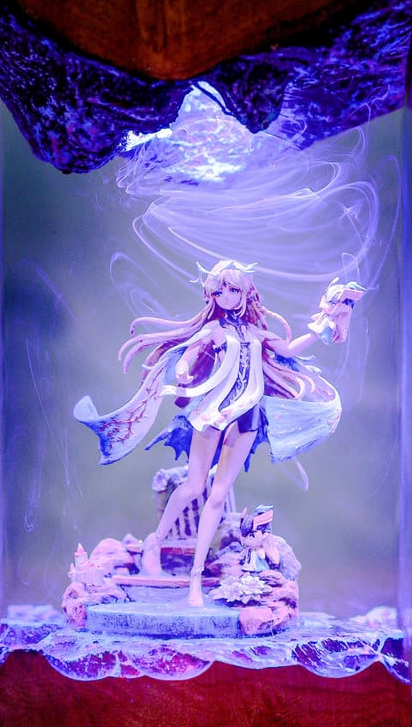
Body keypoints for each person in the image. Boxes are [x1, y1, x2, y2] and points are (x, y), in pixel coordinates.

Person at [74, 260, 361, 607]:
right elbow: (188, 355)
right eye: (219, 290)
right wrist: (182, 372)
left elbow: (288, 350)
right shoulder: (213, 330)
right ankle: (156, 542)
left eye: (232, 289)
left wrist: (325, 323)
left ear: (245, 293)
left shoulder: (256, 334)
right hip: (214, 413)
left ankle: (195, 578)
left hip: (247, 415)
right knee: (195, 486)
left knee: (219, 493)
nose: (225, 295)